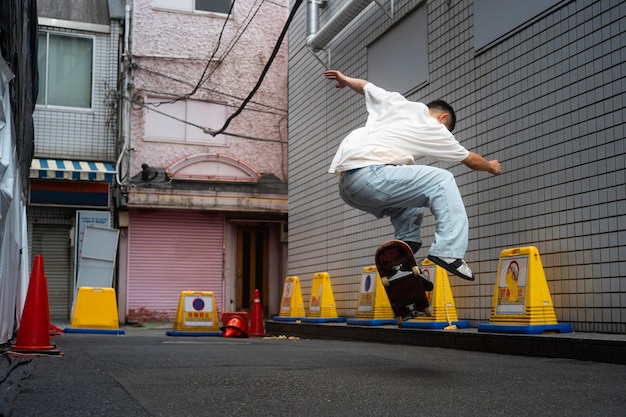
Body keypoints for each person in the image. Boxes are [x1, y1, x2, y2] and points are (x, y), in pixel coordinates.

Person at [324, 70, 501, 281]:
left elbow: (364, 85)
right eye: (447, 129)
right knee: (442, 180)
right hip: (372, 176)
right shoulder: (435, 127)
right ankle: (449, 251)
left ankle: (403, 255)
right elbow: (471, 160)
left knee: (411, 203)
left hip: (349, 186)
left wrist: (345, 79)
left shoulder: (396, 103)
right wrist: (491, 166)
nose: (447, 135)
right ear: (442, 118)